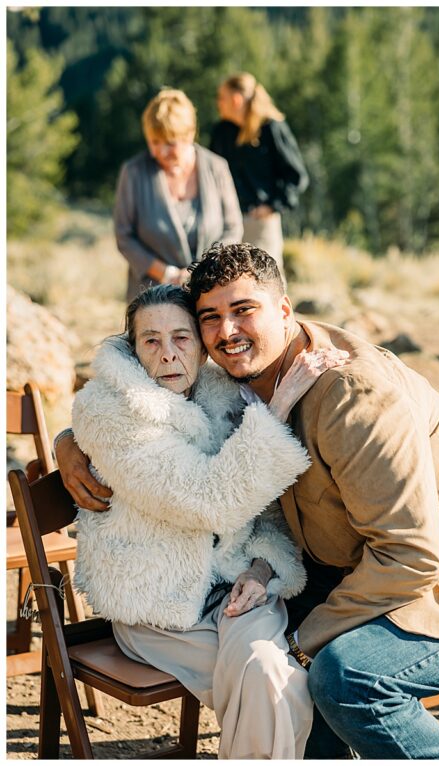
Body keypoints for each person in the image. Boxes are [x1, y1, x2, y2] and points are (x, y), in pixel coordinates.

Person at [60, 242, 439, 760]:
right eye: (210, 317)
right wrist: (72, 439)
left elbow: (410, 557)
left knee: (342, 679)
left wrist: (303, 642)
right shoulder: (242, 373)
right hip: (343, 562)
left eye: (243, 310)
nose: (227, 331)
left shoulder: (352, 395)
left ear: (284, 310)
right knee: (278, 667)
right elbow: (145, 414)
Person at [64, 284, 345, 759]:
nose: (169, 354)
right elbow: (209, 501)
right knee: (279, 679)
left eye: (181, 338)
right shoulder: (111, 413)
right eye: (150, 341)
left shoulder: (222, 396)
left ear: (199, 342)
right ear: (131, 350)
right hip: (157, 607)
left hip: (235, 593)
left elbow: (267, 513)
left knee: (267, 669)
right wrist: (276, 411)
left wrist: (260, 570)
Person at [114, 89, 243, 301]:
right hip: (151, 298)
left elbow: (233, 228)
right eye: (154, 142)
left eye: (170, 143)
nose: (160, 152)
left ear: (189, 135)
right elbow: (124, 236)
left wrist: (200, 273)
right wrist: (167, 274)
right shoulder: (133, 172)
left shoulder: (217, 167)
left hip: (211, 295)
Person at [211, 73, 309, 269]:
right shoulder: (222, 131)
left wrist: (272, 206)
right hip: (227, 224)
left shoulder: (272, 128)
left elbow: (297, 175)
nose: (218, 103)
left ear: (236, 99)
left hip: (261, 223)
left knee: (266, 283)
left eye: (221, 97)